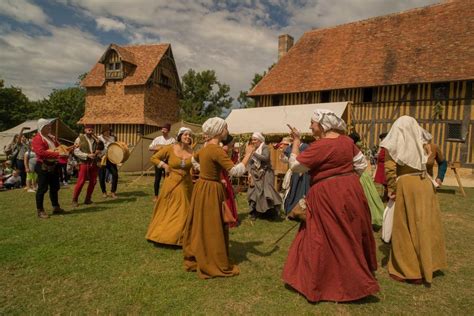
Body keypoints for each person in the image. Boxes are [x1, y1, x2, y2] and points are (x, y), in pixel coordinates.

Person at [282, 109, 379, 303]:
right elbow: (361, 166)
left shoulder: (320, 146)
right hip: (351, 190)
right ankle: (355, 276)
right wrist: (346, 182)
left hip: (327, 195)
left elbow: (296, 166)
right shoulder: (348, 142)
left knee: (323, 236)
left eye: (313, 123)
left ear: (322, 125)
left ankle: (330, 282)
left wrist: (295, 144)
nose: (310, 126)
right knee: (349, 232)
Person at [183, 117, 255, 279]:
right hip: (211, 190)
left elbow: (193, 161)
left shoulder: (206, 148)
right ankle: (212, 258)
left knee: (202, 222)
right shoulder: (216, 150)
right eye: (225, 128)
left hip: (202, 186)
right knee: (212, 225)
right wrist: (248, 154)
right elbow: (235, 171)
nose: (227, 131)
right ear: (218, 131)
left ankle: (200, 251)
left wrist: (206, 172)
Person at [381, 115, 447, 284]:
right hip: (425, 184)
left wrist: (392, 190)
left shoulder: (394, 143)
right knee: (425, 225)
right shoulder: (424, 144)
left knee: (404, 227)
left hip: (406, 185)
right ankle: (428, 264)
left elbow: (389, 168)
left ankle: (409, 270)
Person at [146, 127, 198, 246]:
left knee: (184, 210)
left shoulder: (192, 152)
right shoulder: (170, 148)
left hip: (187, 184)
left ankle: (182, 237)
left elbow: (196, 165)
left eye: (189, 135)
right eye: (185, 134)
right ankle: (167, 236)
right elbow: (154, 158)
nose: (188, 137)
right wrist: (164, 165)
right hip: (172, 182)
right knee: (176, 208)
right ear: (179, 136)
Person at [31, 118, 68, 219]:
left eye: (50, 126)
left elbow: (58, 148)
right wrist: (57, 154)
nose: (49, 128)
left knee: (55, 187)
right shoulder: (38, 139)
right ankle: (40, 210)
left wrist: (65, 150)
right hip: (43, 166)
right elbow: (41, 152)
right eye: (47, 126)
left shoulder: (51, 138)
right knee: (42, 189)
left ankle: (56, 207)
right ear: (42, 127)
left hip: (53, 165)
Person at [348, 131, 384, 229]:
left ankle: (366, 217)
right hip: (364, 175)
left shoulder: (352, 148)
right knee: (369, 197)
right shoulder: (357, 146)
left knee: (364, 198)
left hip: (359, 174)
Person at [247, 132, 282, 220]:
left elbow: (265, 158)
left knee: (267, 193)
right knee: (253, 193)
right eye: (252, 139)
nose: (253, 141)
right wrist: (249, 173)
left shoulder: (265, 147)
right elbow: (250, 162)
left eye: (255, 139)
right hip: (255, 174)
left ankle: (272, 213)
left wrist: (254, 153)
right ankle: (254, 213)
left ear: (260, 140)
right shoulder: (254, 149)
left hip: (266, 173)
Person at [72, 124, 103, 207]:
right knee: (81, 181)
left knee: (93, 182)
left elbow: (102, 148)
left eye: (92, 129)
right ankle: (74, 199)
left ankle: (88, 199)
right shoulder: (79, 139)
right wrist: (87, 155)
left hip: (94, 163)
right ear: (85, 130)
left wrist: (98, 152)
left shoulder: (96, 139)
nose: (90, 130)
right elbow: (76, 151)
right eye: (88, 129)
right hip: (84, 163)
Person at [278, 137, 311, 215]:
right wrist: (283, 156)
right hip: (294, 173)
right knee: (292, 190)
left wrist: (302, 170)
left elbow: (307, 160)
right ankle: (290, 209)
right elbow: (287, 159)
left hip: (304, 174)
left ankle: (302, 211)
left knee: (301, 191)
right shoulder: (290, 147)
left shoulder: (305, 147)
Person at [149, 123, 176, 201]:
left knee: (167, 179)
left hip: (168, 161)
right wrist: (158, 148)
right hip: (158, 161)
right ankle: (156, 196)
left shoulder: (172, 140)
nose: (163, 131)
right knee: (157, 179)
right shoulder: (157, 139)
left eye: (165, 130)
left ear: (168, 131)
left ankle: (167, 195)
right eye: (162, 129)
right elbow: (150, 148)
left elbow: (174, 150)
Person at [221, 134, 239, 227]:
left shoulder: (226, 150)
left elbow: (231, 163)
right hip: (222, 176)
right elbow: (223, 165)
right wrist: (221, 178)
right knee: (227, 197)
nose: (234, 143)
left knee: (229, 196)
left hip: (225, 176)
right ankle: (228, 218)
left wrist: (235, 154)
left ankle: (231, 217)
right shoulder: (223, 151)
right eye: (232, 141)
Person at [98, 125, 119, 198]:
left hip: (111, 158)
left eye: (109, 131)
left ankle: (113, 192)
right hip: (102, 158)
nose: (108, 132)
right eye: (106, 131)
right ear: (103, 132)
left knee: (115, 174)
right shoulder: (98, 138)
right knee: (102, 176)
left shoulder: (113, 138)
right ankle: (104, 192)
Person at [374, 132, 388, 200]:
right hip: (381, 166)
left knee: (386, 182)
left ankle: (386, 196)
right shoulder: (382, 146)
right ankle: (385, 195)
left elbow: (385, 156)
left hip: (385, 166)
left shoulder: (387, 146)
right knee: (383, 183)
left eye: (383, 138)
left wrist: (379, 156)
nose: (382, 140)